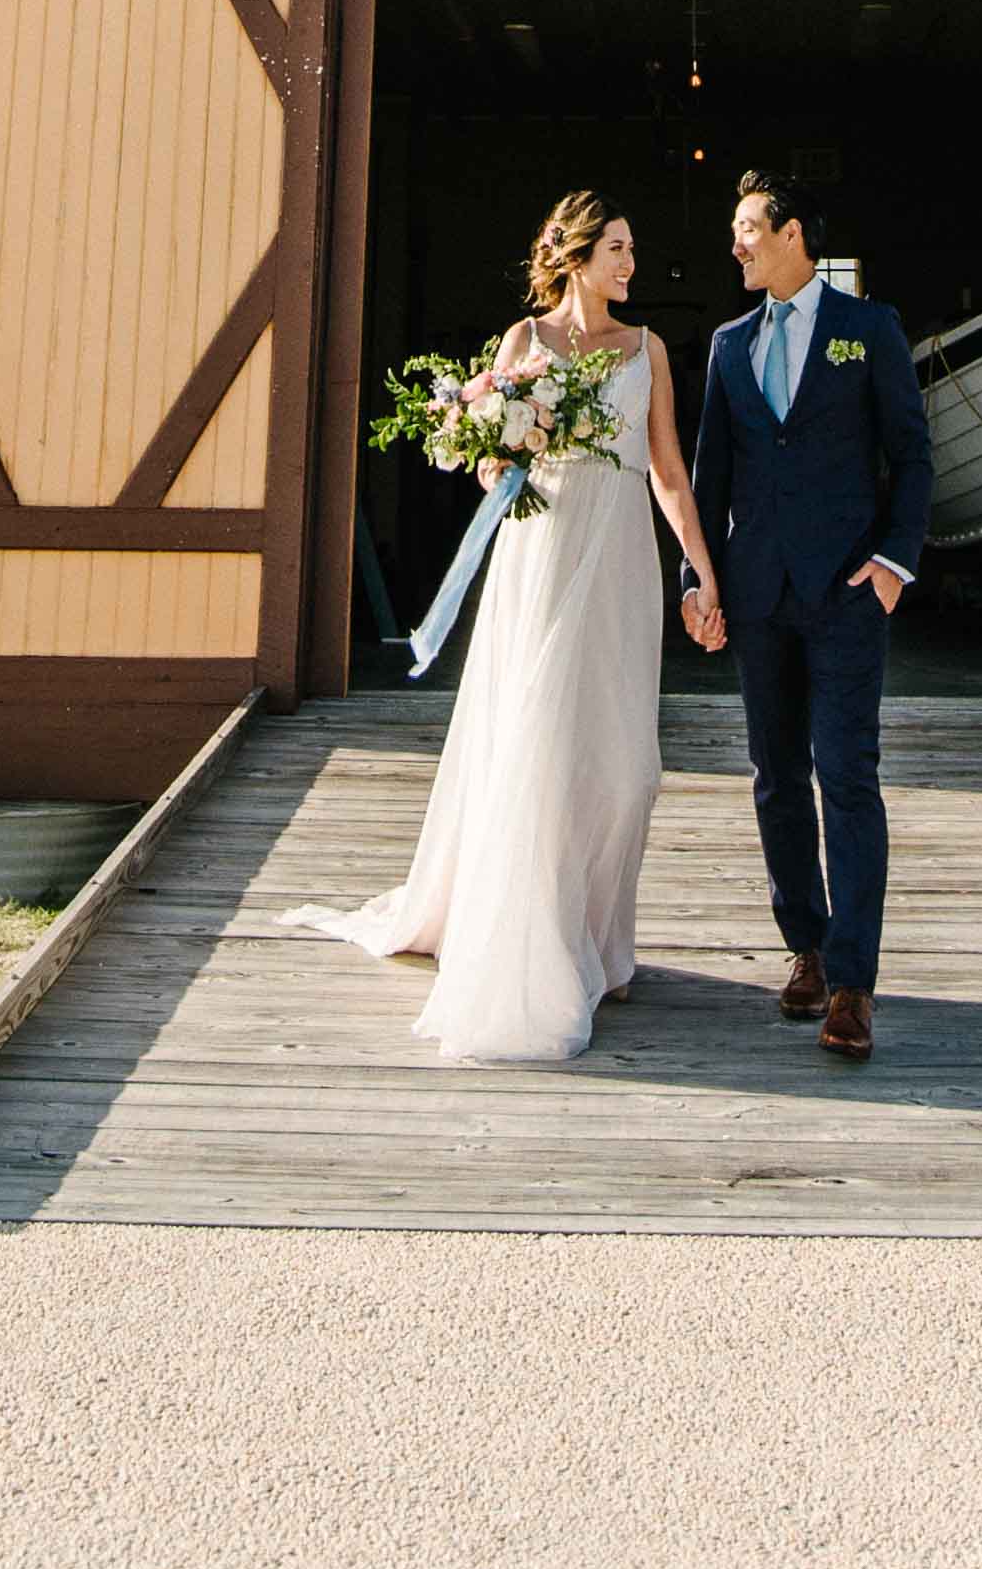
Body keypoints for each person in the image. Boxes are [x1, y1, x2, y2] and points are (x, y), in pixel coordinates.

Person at [285, 191, 720, 1065]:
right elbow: (488, 466)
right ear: (577, 254)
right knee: (541, 745)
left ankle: (604, 942)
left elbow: (668, 468)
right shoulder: (522, 343)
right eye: (620, 249)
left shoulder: (649, 349)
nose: (633, 264)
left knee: (625, 763)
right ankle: (545, 943)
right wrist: (505, 448)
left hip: (621, 560)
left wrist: (700, 568)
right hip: (543, 555)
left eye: (633, 249)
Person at [682, 166, 931, 1060]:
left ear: (793, 234)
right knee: (776, 777)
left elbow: (911, 451)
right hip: (756, 598)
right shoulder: (725, 343)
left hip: (848, 596)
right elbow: (709, 480)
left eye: (749, 226)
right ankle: (808, 948)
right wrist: (696, 579)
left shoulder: (868, 331)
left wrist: (894, 562)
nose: (737, 242)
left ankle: (855, 983)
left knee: (846, 775)